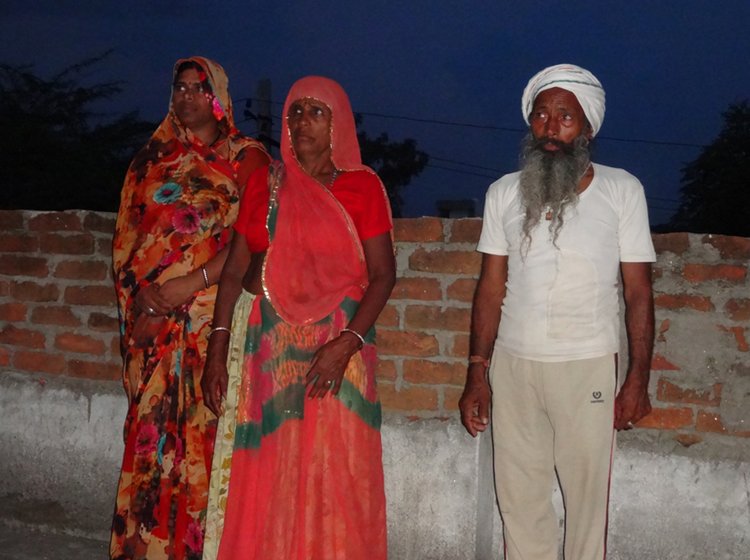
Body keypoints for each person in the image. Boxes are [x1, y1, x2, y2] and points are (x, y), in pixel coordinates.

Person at [459, 64, 655, 560]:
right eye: (541, 115)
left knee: (587, 508)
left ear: (587, 127)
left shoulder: (621, 190)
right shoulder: (504, 192)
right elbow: (489, 289)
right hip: (514, 366)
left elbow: (638, 292)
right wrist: (477, 373)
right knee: (519, 505)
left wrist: (637, 378)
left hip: (586, 362)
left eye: (565, 117)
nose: (551, 126)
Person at [200, 75, 394, 560]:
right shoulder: (266, 184)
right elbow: (235, 271)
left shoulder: (361, 187)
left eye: (316, 112)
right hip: (272, 349)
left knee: (337, 466)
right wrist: (217, 348)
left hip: (340, 350)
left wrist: (346, 343)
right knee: (274, 461)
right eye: (295, 112)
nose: (302, 121)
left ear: (338, 125)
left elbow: (384, 275)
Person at [110, 56, 269, 560]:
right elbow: (127, 243)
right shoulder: (150, 160)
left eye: (199, 89)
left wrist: (188, 285)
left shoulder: (248, 157)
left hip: (210, 324)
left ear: (219, 98)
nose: (186, 96)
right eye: (179, 87)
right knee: (151, 442)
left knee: (206, 441)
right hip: (153, 327)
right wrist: (146, 303)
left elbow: (255, 240)